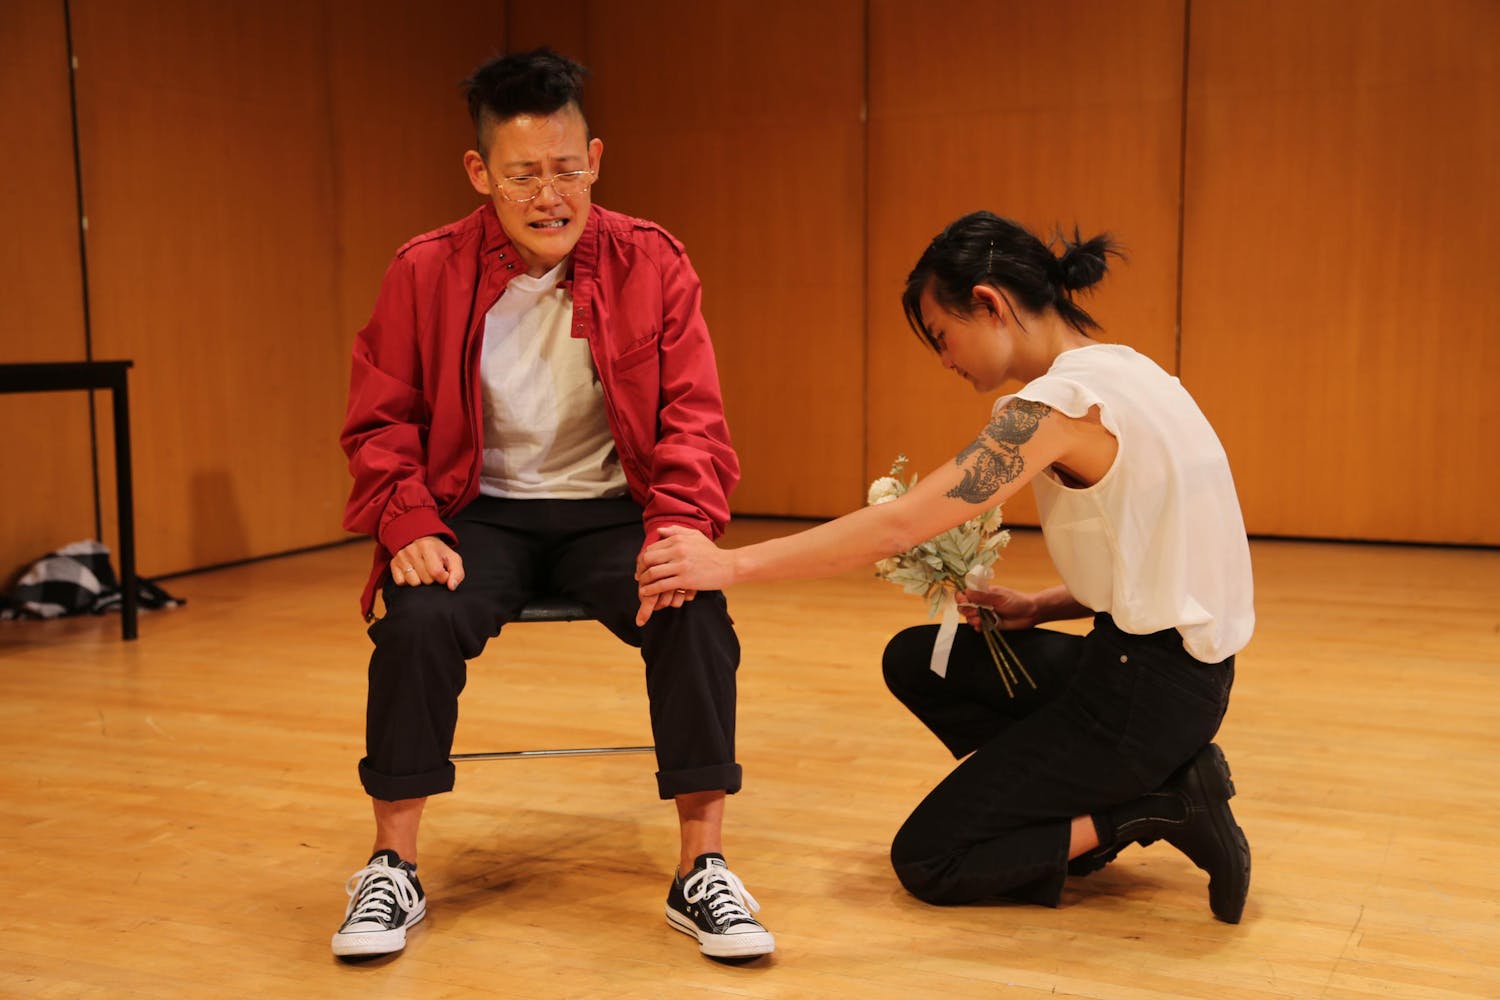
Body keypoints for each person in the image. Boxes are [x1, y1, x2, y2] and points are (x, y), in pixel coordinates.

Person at [636, 210, 1255, 923]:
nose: (944, 358)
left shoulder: (1054, 408)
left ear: (989, 303)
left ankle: (1153, 806)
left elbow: (902, 522)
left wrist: (727, 566)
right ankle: (1095, 791)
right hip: (1169, 676)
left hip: (1143, 698)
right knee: (920, 660)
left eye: (941, 335)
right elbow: (1165, 557)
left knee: (930, 859)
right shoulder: (1136, 375)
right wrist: (1041, 606)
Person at [333, 48, 774, 961]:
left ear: (596, 160)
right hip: (476, 508)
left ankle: (703, 866)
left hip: (618, 508)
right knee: (416, 621)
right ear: (480, 173)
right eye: (524, 173)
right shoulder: (424, 271)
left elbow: (694, 419)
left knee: (691, 605)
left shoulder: (652, 261)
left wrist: (681, 527)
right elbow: (382, 419)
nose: (549, 194)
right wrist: (409, 521)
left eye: (566, 169)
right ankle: (391, 865)